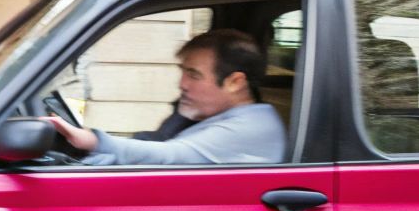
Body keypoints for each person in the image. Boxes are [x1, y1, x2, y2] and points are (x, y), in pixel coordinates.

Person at [43, 28, 286, 166]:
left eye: (194, 75)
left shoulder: (251, 128)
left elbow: (171, 157)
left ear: (235, 82)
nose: (182, 84)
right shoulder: (221, 118)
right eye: (183, 72)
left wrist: (94, 141)